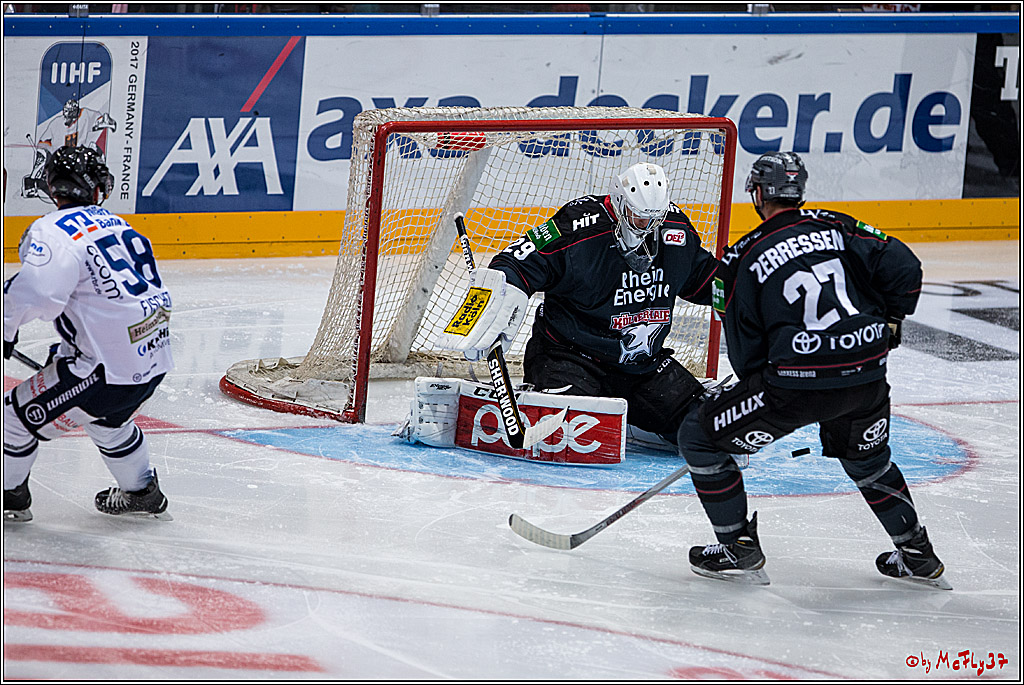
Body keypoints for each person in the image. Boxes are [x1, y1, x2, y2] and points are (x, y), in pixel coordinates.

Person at [675, 151, 950, 589]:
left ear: (759, 193)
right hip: (865, 376)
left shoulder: (741, 257)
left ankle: (737, 546)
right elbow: (905, 268)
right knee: (868, 460)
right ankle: (916, 553)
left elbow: (744, 348)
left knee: (697, 436)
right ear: (798, 190)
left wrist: (756, 392)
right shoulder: (839, 226)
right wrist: (892, 321)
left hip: (793, 388)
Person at [441, 161, 720, 445]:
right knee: (569, 435)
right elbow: (517, 261)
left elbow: (704, 279)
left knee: (708, 429)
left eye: (654, 219)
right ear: (621, 205)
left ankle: (635, 421)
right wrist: (496, 293)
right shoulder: (578, 225)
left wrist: (746, 296)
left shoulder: (675, 231)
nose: (648, 228)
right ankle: (532, 396)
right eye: (638, 218)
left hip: (639, 365)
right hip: (570, 357)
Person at [3, 145, 173, 522]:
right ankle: (142, 492)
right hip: (153, 357)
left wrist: (6, 328)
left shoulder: (51, 230)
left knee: (11, 419)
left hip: (104, 370)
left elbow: (39, 293)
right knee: (108, 421)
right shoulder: (120, 225)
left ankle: (9, 498)